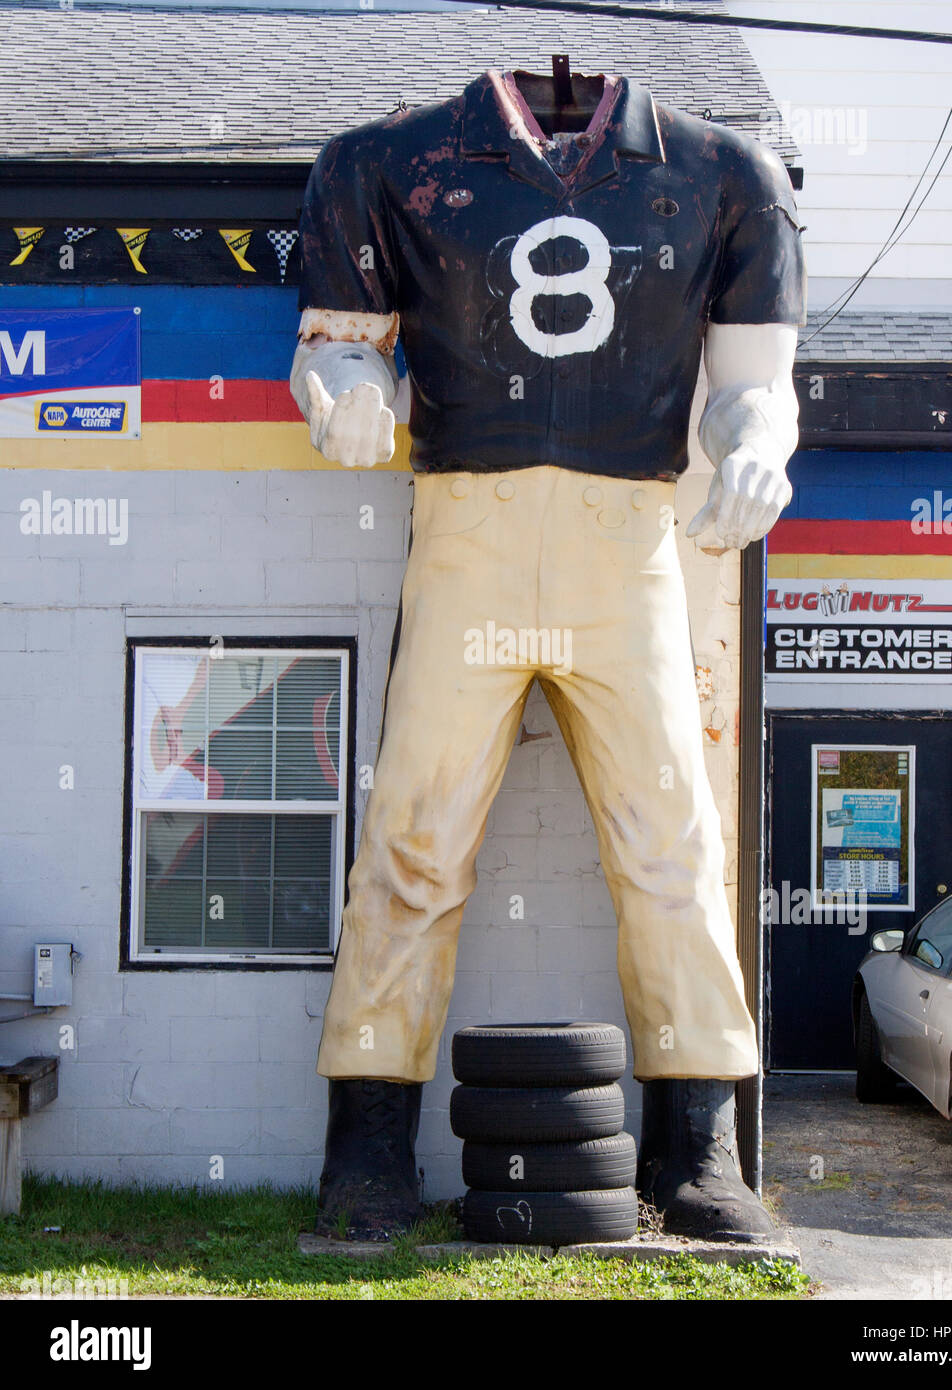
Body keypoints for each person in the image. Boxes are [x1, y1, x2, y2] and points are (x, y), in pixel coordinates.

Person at [290, 66, 805, 1242]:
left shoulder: (725, 175)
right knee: (413, 840)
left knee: (672, 841)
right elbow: (336, 347)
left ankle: (696, 1148)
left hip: (626, 534)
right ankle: (366, 1146)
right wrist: (347, 388)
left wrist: (756, 448)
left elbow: (751, 386)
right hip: (468, 522)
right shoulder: (384, 164)